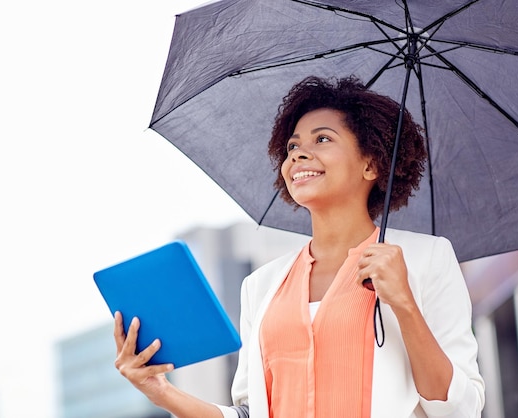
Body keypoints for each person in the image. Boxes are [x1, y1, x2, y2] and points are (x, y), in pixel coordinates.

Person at [114, 75, 485, 418]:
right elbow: (251, 413)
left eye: (322, 139)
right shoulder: (260, 286)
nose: (298, 155)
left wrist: (404, 303)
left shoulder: (427, 259)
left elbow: (460, 408)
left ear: (371, 164)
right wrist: (159, 391)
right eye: (292, 146)